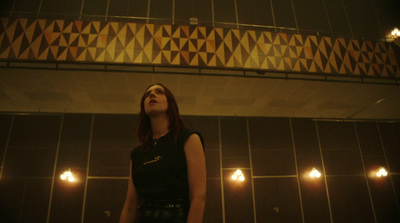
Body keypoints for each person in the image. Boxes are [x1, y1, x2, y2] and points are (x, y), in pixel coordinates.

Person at [120, 83, 206, 223]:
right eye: (148, 94)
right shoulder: (137, 154)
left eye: (159, 92)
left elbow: (198, 197)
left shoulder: (188, 139)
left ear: (170, 103)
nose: (152, 95)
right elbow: (130, 207)